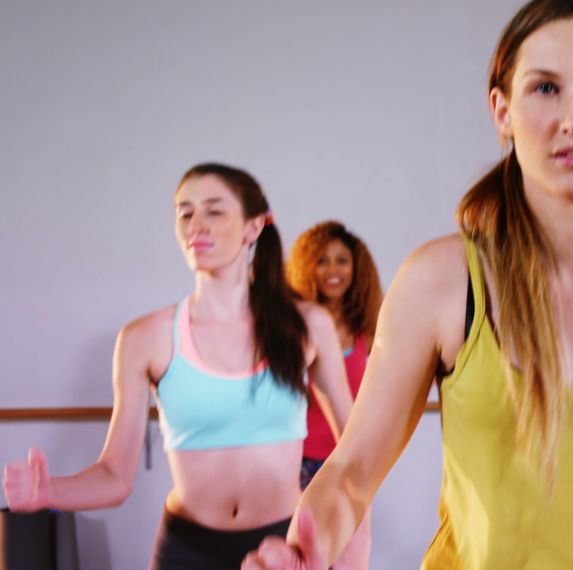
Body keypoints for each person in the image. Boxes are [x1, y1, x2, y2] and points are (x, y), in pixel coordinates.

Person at [241, 1, 573, 568]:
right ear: (501, 110)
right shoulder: (441, 283)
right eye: (545, 88)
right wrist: (305, 551)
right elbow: (351, 475)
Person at [2, 163, 354, 570]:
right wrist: (49, 493)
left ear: (253, 227)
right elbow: (115, 476)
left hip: (283, 549)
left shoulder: (307, 326)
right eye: (185, 213)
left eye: (214, 211)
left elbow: (355, 451)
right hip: (187, 550)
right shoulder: (144, 339)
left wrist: (341, 546)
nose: (195, 225)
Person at [286, 221, 382, 569]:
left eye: (342, 260)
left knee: (346, 558)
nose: (332, 270)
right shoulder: (296, 328)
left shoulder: (369, 331)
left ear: (356, 269)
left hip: (348, 462)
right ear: (307, 267)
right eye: (322, 260)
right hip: (300, 464)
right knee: (303, 559)